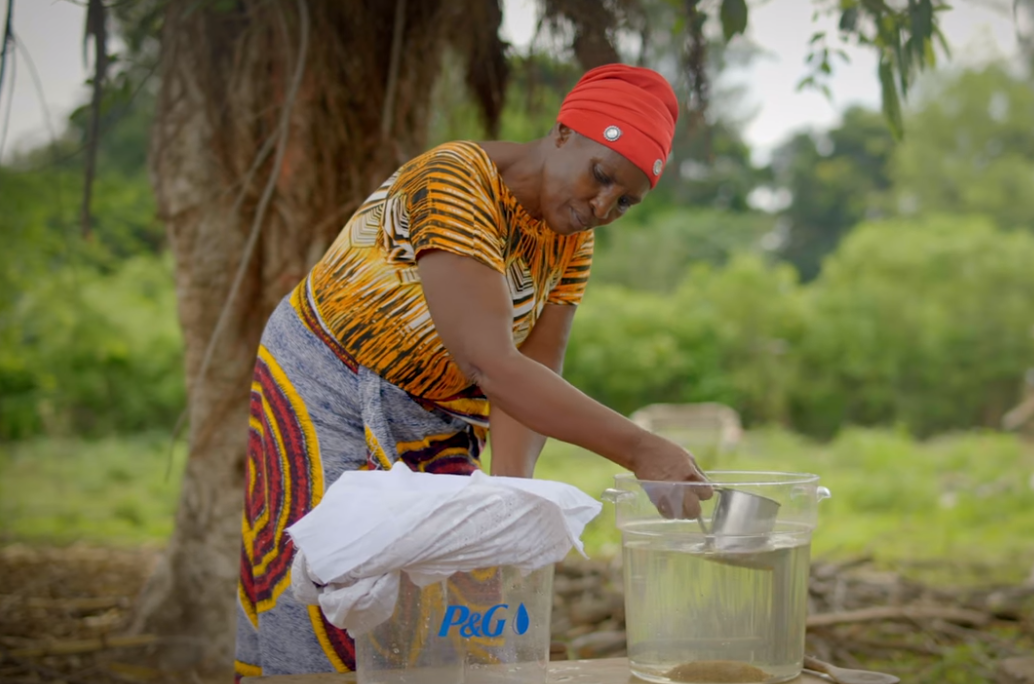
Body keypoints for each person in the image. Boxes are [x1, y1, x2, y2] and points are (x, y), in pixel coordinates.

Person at [234, 63, 712, 679]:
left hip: (441, 414)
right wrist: (642, 450)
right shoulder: (455, 178)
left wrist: (515, 496)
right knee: (335, 590)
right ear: (564, 132)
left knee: (462, 595)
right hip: (326, 388)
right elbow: (491, 362)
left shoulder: (572, 241)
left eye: (624, 201)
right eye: (601, 177)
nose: (601, 206)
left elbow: (536, 369)